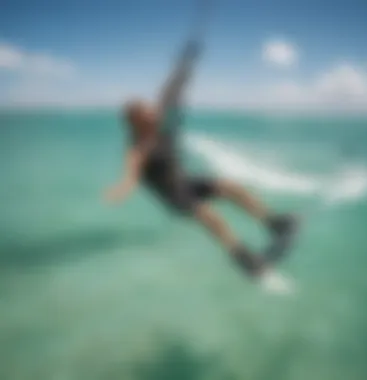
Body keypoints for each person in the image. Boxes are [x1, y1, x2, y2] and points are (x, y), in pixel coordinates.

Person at [105, 39, 296, 284]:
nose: (153, 114)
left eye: (150, 111)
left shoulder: (159, 123)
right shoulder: (137, 147)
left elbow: (171, 89)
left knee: (231, 187)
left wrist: (185, 62)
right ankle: (243, 259)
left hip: (186, 182)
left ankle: (274, 223)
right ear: (136, 123)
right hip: (174, 196)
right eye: (146, 114)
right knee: (211, 217)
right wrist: (123, 187)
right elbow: (130, 170)